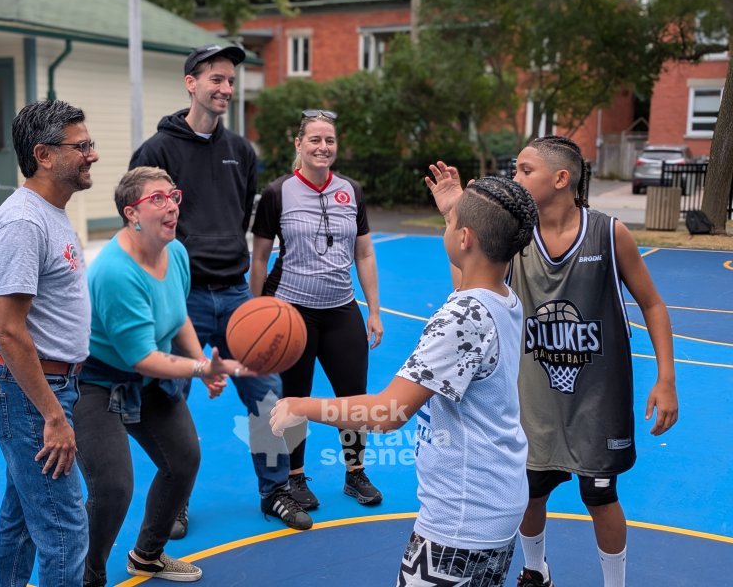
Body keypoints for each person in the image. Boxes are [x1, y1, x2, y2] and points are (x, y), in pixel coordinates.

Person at [426, 135, 679, 587]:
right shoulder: (514, 237)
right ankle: (535, 570)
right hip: (533, 397)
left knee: (600, 497)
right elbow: (469, 286)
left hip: (597, 398)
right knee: (529, 493)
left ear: (561, 178)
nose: (515, 176)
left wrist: (666, 379)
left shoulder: (609, 233)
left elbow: (653, 304)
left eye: (525, 170)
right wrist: (453, 214)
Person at [271, 176, 540, 587]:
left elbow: (387, 412)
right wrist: (453, 212)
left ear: (465, 238)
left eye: (454, 224)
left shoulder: (461, 318)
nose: (448, 227)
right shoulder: (500, 296)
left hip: (461, 519)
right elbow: (467, 283)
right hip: (494, 499)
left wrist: (300, 406)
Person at [129, 43, 311, 534]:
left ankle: (275, 490)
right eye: (216, 79)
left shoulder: (242, 152)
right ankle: (174, 499)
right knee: (170, 399)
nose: (226, 88)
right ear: (191, 83)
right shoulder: (156, 151)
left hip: (234, 295)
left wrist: (252, 291)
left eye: (231, 80)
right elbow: (138, 222)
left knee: (267, 394)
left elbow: (242, 222)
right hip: (181, 294)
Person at [72, 167, 251, 584]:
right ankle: (86, 576)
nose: (171, 205)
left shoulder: (177, 252)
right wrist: (202, 367)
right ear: (131, 213)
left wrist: (200, 362)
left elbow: (177, 316)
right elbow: (143, 358)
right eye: (158, 198)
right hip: (97, 383)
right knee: (113, 488)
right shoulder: (115, 272)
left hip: (148, 379)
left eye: (173, 196)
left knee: (183, 460)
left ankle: (147, 555)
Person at [0, 99, 98, 586]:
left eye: (90, 144)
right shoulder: (24, 223)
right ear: (44, 155)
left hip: (42, 388)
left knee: (23, 517)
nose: (92, 155)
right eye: (81, 146)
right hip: (31, 394)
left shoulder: (49, 213)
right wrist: (52, 416)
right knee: (65, 530)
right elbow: (8, 330)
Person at [250, 109, 384, 510]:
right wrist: (255, 312)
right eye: (315, 140)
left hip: (341, 309)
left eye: (329, 140)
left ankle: (355, 473)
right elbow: (259, 258)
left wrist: (374, 311)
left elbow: (364, 253)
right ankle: (294, 477)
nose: (323, 147)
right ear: (299, 144)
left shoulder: (351, 191)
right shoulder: (278, 192)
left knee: (353, 397)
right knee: (294, 396)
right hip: (292, 311)